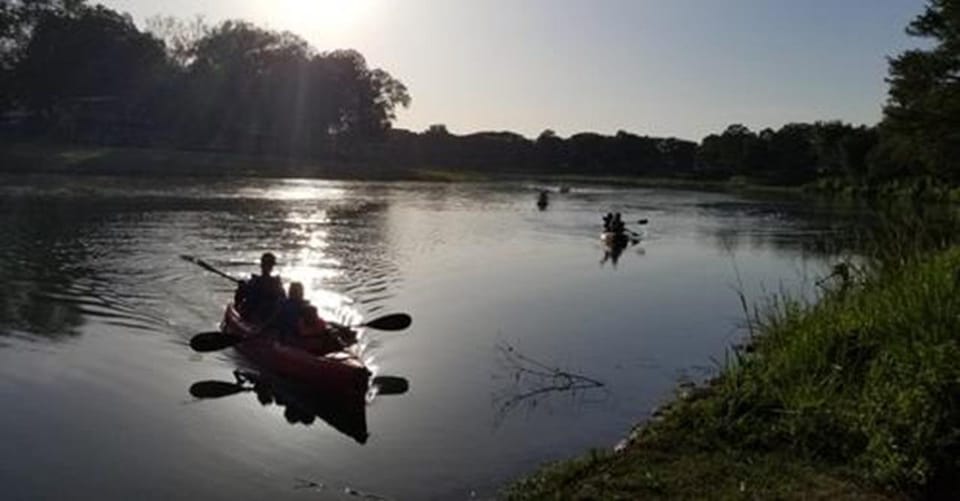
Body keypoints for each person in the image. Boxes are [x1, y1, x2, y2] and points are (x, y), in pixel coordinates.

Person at [236, 252, 286, 323]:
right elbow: (284, 298)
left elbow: (242, 296)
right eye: (268, 265)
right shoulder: (276, 283)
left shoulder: (255, 282)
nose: (267, 267)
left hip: (259, 317)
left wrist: (242, 287)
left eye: (268, 264)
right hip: (267, 317)